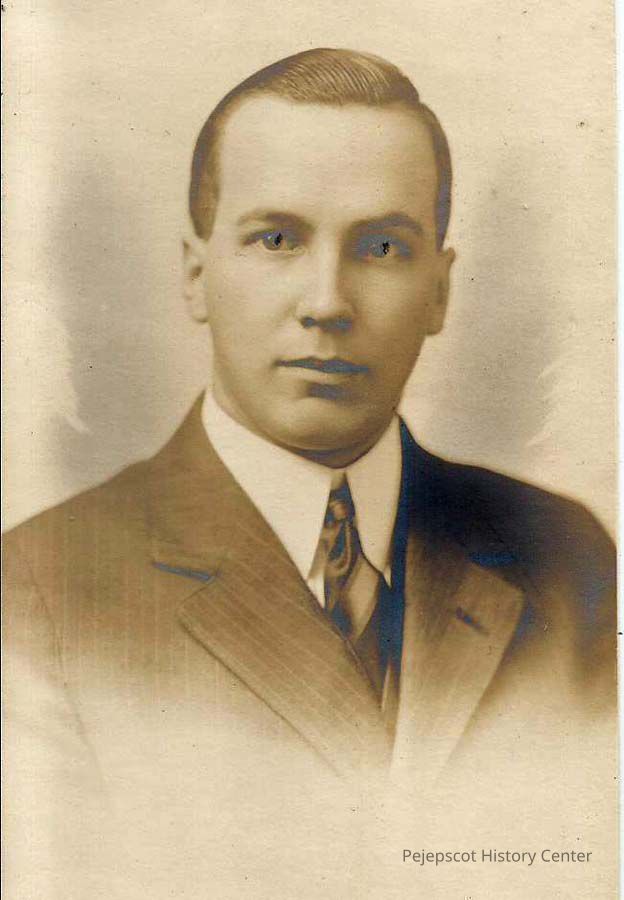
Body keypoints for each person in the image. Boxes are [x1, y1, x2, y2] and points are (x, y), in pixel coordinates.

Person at [2, 48, 616, 898]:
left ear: (440, 291)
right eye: (278, 239)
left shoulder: (566, 556)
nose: (327, 301)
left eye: (383, 246)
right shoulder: (35, 594)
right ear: (196, 276)